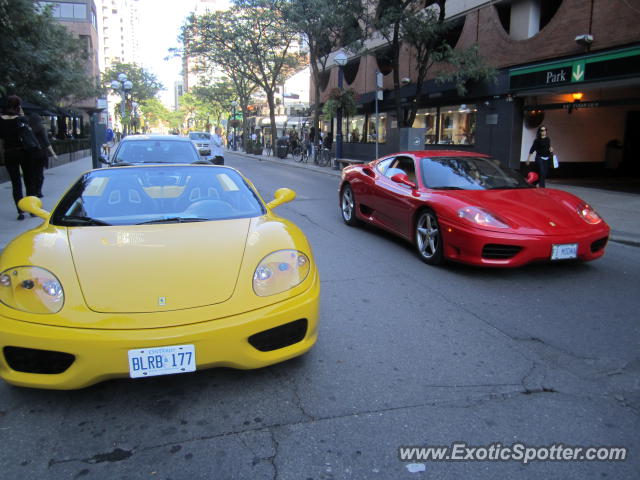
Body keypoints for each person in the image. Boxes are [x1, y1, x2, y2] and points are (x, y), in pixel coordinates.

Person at [0, 95, 37, 220]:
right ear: (18, 106)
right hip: (24, 152)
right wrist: (22, 115)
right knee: (29, 180)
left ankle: (20, 211)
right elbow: (28, 134)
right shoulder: (21, 119)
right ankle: (31, 209)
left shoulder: (1, 120)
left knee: (16, 183)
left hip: (9, 153)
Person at [28, 112, 58, 198]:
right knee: (39, 173)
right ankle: (38, 191)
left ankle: (32, 191)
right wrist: (54, 154)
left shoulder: (28, 129)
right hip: (41, 153)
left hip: (31, 154)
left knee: (32, 173)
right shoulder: (41, 128)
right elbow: (46, 142)